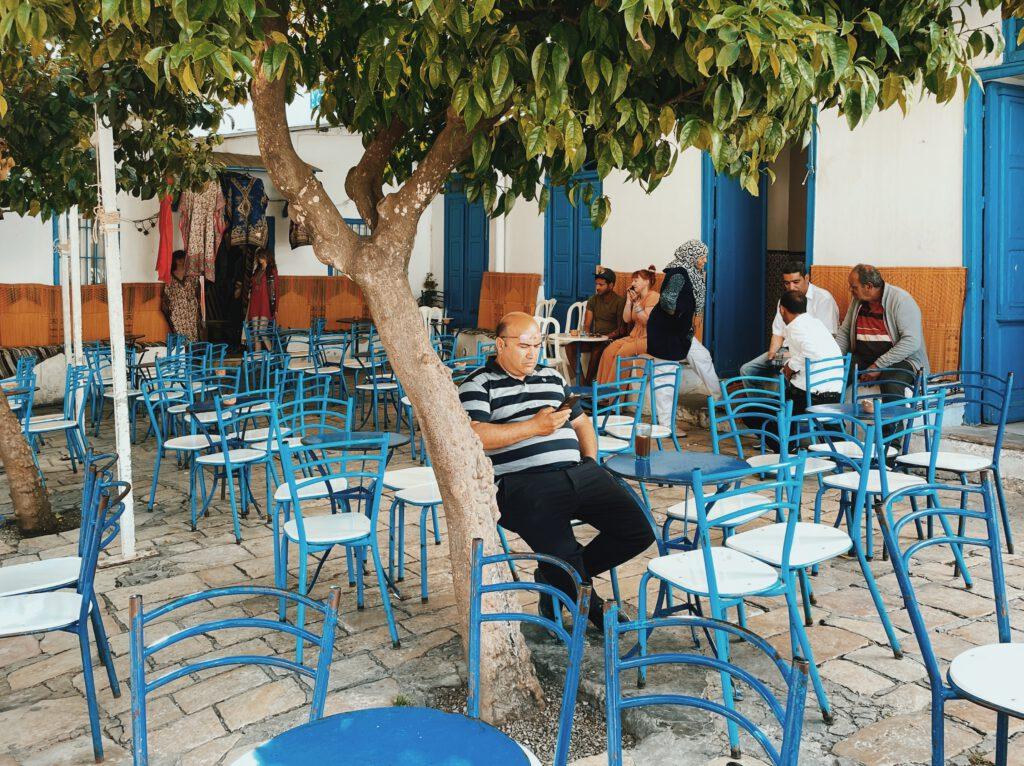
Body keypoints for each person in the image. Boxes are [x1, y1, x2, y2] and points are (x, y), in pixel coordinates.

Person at [458, 312, 654, 629]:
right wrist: (534, 427)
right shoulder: (478, 384)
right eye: (523, 345)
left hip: (580, 473)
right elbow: (474, 435)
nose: (532, 352)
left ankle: (551, 576)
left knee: (640, 529)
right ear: (500, 344)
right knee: (564, 552)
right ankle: (595, 610)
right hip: (523, 485)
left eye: (537, 344)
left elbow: (581, 423)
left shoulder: (552, 377)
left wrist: (590, 461)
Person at [836, 264, 928, 396]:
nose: (850, 289)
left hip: (901, 360)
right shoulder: (857, 301)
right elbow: (844, 332)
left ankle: (895, 418)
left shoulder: (901, 300)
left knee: (891, 382)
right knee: (836, 374)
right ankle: (830, 416)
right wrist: (834, 360)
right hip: (864, 358)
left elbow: (911, 341)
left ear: (868, 286)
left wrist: (878, 365)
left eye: (854, 287)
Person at [648, 240, 721, 403]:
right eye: (703, 257)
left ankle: (718, 398)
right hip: (666, 334)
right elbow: (667, 301)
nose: (705, 261)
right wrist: (679, 317)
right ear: (692, 256)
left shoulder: (691, 273)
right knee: (666, 378)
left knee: (702, 357)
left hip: (680, 333)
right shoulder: (679, 273)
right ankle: (665, 426)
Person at [740, 260, 840, 379]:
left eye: (796, 282)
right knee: (747, 370)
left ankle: (777, 395)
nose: (791, 287)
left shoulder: (824, 299)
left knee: (779, 375)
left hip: (807, 354)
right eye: (787, 283)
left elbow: (826, 339)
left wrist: (789, 358)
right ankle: (764, 397)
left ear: (807, 278)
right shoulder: (784, 301)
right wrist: (773, 355)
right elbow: (778, 334)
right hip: (786, 351)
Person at [778, 291, 843, 414]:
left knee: (756, 413)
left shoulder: (795, 326)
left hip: (812, 399)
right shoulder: (817, 323)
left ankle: (787, 431)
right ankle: (791, 428)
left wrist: (790, 366)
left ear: (782, 309)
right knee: (784, 396)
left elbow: (811, 350)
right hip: (835, 396)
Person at [595, 266, 660, 384]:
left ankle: (615, 395)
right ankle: (602, 391)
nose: (632, 283)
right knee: (609, 351)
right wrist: (629, 301)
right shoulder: (636, 297)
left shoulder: (653, 296)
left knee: (622, 353)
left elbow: (646, 321)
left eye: (636, 280)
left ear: (646, 282)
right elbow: (626, 319)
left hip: (648, 339)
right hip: (634, 336)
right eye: (632, 280)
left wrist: (636, 303)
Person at [572, 269, 627, 385]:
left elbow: (621, 329)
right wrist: (588, 335)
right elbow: (587, 325)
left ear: (611, 285)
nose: (597, 287)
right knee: (570, 347)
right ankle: (582, 381)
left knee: (597, 350)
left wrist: (606, 337)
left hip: (611, 340)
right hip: (595, 338)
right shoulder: (593, 300)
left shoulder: (620, 302)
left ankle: (587, 385)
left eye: (601, 285)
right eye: (596, 284)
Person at [238, 247, 278, 350]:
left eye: (262, 257)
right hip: (255, 303)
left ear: (267, 257)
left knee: (262, 332)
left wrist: (276, 308)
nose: (260, 259)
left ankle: (271, 354)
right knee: (255, 333)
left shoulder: (272, 271)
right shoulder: (257, 271)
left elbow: (276, 290)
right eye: (259, 257)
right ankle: (257, 358)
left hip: (265, 304)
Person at [161, 250, 201, 342]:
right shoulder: (169, 279)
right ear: (178, 261)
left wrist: (198, 313)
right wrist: (170, 314)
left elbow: (198, 295)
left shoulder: (193, 277)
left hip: (191, 314)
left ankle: (191, 356)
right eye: (185, 259)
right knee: (180, 341)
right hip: (176, 316)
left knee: (192, 340)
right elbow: (166, 299)